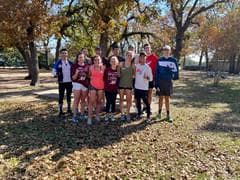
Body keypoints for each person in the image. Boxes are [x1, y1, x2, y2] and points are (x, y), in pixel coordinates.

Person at [155, 45, 179, 123]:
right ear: (163, 51)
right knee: (160, 98)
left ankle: (168, 115)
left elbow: (176, 71)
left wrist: (174, 77)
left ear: (170, 51)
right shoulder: (159, 60)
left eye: (167, 50)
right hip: (160, 82)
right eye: (164, 50)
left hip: (168, 82)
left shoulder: (173, 60)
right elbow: (156, 73)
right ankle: (159, 113)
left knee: (167, 99)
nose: (166, 51)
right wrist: (157, 84)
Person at [53, 48, 73, 117]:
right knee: (61, 96)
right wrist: (55, 74)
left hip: (69, 82)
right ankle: (60, 111)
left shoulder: (70, 62)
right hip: (61, 82)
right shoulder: (58, 62)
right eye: (63, 53)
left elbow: (74, 69)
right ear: (60, 54)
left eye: (65, 53)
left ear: (67, 54)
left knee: (69, 96)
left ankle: (69, 109)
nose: (64, 54)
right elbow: (54, 70)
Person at [71, 52, 89, 123]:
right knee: (76, 100)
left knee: (83, 100)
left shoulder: (87, 66)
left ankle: (82, 114)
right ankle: (74, 116)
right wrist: (76, 73)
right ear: (77, 58)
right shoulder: (74, 66)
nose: (81, 59)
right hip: (77, 84)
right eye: (79, 57)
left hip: (85, 85)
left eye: (82, 57)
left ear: (84, 58)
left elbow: (88, 76)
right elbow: (73, 78)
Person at [134, 51, 153, 121]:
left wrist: (146, 77)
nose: (142, 58)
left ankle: (148, 116)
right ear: (139, 58)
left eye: (143, 57)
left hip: (144, 88)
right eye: (141, 57)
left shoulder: (148, 67)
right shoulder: (137, 66)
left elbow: (151, 79)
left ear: (146, 58)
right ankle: (139, 114)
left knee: (146, 102)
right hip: (137, 87)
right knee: (138, 102)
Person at [88, 55, 105, 125]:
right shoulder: (91, 67)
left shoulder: (103, 67)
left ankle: (97, 115)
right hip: (93, 86)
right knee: (91, 102)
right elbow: (89, 75)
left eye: (98, 59)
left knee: (99, 102)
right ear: (93, 61)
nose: (97, 61)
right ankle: (89, 118)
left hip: (101, 86)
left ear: (100, 60)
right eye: (95, 60)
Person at [118, 51, 135, 121]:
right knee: (121, 100)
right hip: (121, 84)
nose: (129, 57)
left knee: (129, 100)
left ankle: (127, 114)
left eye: (131, 56)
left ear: (132, 57)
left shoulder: (133, 65)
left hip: (129, 85)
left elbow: (134, 75)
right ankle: (122, 114)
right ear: (125, 55)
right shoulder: (121, 64)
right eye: (128, 55)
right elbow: (118, 74)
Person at [104, 56, 119, 122]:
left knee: (113, 102)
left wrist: (117, 87)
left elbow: (119, 79)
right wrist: (106, 86)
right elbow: (104, 78)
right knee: (108, 102)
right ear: (110, 62)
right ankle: (107, 114)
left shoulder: (118, 70)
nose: (113, 62)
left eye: (114, 61)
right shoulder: (107, 70)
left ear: (116, 62)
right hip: (108, 88)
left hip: (114, 89)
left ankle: (112, 114)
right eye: (112, 61)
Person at [143, 43, 158, 111]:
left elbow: (156, 69)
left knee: (149, 93)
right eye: (146, 48)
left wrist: (155, 78)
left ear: (150, 49)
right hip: (143, 79)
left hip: (151, 79)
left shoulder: (154, 57)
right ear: (144, 49)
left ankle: (148, 106)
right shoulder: (143, 57)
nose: (147, 49)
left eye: (148, 48)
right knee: (144, 93)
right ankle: (144, 106)